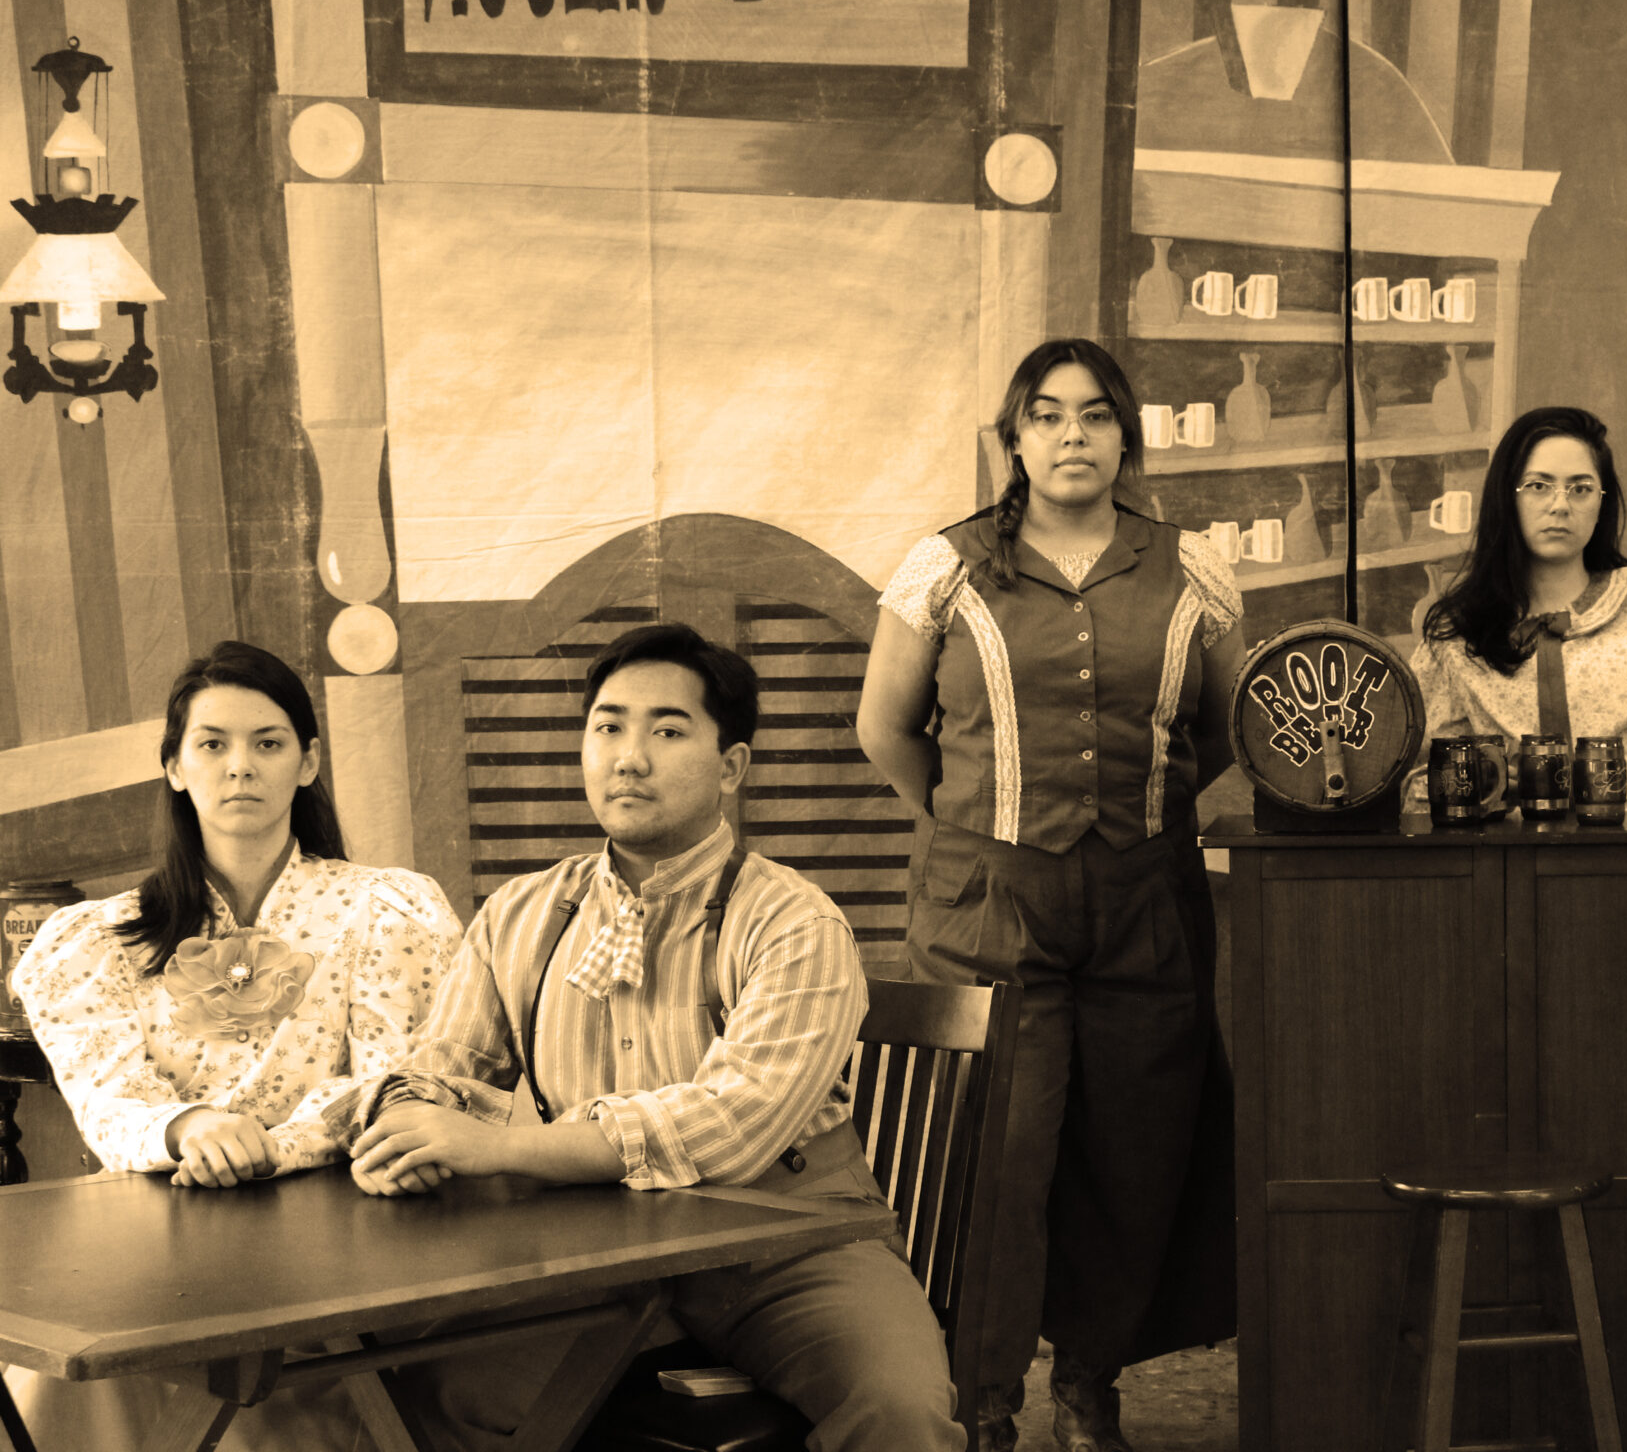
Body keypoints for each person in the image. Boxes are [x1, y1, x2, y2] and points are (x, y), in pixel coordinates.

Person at [343, 622, 962, 1452]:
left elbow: (733, 1124)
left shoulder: (794, 921)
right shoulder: (520, 915)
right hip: (590, 1254)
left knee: (898, 1413)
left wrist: (492, 1148)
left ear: (731, 768)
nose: (628, 757)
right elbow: (438, 1072)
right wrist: (411, 1126)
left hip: (787, 1245)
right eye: (608, 726)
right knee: (431, 1392)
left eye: (667, 730)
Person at [858, 337, 1241, 1452]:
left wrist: (1144, 815)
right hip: (990, 902)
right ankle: (979, 1399)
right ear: (1013, 437)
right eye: (1046, 413)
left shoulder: (1192, 569)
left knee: (1131, 1148)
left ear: (1127, 436)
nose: (1071, 434)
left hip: (1147, 902)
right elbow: (884, 727)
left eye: (1094, 414)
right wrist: (978, 823)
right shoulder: (945, 567)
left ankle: (1088, 1383)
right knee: (990, 1152)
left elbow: (1222, 727)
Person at [4, 640, 462, 1451]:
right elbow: (105, 1096)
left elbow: (394, 1082)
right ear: (175, 767)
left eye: (268, 742)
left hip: (345, 1244)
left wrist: (268, 1148)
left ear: (309, 762)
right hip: (152, 1251)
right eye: (212, 744)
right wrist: (188, 1130)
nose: (239, 766)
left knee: (281, 1405)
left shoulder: (389, 910)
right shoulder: (97, 939)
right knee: (60, 1380)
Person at [1410, 405, 1627, 817]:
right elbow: (1421, 773)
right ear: (1506, 496)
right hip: (1509, 861)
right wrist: (1484, 784)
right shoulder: (1456, 634)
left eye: (1581, 488)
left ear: (1601, 502)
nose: (1560, 505)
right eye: (1538, 486)